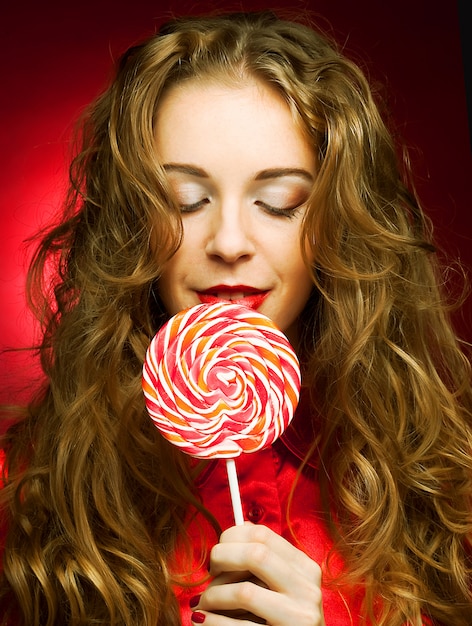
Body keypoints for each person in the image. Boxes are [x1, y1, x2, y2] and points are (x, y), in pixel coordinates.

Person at [0, 10, 471, 626]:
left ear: (335, 223)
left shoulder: (447, 484)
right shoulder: (26, 485)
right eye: (184, 201)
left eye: (279, 204)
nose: (228, 241)